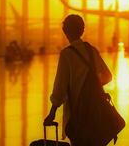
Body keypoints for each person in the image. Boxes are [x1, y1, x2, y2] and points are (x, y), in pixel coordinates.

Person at [44, 14, 112, 145]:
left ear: (66, 32)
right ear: (82, 30)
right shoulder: (92, 50)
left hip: (76, 112)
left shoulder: (67, 54)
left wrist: (52, 113)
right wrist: (93, 87)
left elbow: (60, 87)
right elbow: (108, 76)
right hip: (95, 110)